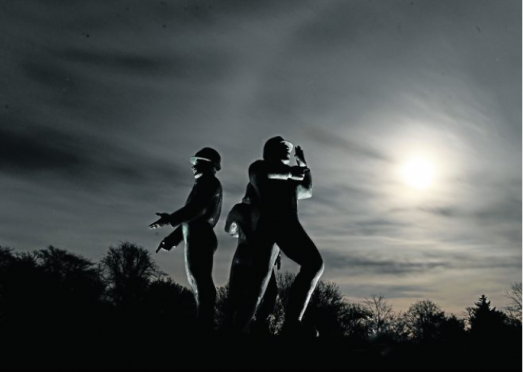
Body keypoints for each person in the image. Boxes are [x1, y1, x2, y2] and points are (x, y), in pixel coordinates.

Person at [241, 136, 324, 336]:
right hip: (271, 224)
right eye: (281, 147)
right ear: (269, 151)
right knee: (259, 280)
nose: (287, 149)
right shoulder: (260, 167)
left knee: (313, 264)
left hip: (288, 225)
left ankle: (292, 322)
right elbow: (260, 176)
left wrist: (303, 165)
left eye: (288, 147)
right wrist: (291, 172)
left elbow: (307, 190)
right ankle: (243, 325)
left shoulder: (290, 180)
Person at [149, 147, 223, 332]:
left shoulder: (209, 183)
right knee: (197, 279)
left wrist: (169, 219)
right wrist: (173, 239)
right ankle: (203, 319)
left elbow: (197, 210)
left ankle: (205, 322)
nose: (193, 166)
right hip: (195, 235)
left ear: (211, 165)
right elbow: (190, 217)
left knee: (200, 280)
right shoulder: (202, 184)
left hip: (200, 236)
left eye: (198, 162)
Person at [225, 183, 281, 335]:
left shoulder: (239, 209)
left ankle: (237, 326)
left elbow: (229, 229)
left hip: (244, 255)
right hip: (261, 257)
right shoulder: (270, 211)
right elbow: (277, 235)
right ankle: (250, 325)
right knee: (266, 294)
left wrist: (240, 229)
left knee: (238, 295)